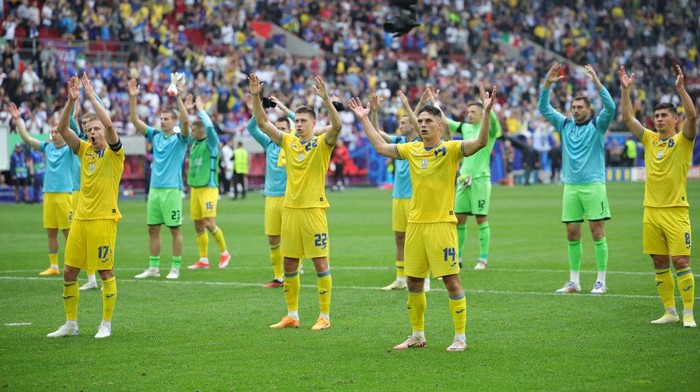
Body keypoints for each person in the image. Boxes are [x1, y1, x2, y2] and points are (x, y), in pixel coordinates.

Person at [348, 87, 495, 352]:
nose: (424, 125)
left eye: (429, 121)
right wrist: (364, 119)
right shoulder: (411, 149)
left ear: (441, 125)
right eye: (422, 121)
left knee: (451, 281)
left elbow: (481, 143)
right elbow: (381, 146)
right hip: (415, 225)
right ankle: (417, 335)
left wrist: (486, 113)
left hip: (442, 226)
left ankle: (460, 336)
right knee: (414, 282)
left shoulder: (451, 150)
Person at [248, 73, 342, 331]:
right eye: (297, 120)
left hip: (314, 210)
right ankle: (292, 315)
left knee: (320, 262)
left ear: (313, 124)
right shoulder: (288, 142)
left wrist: (326, 100)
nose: (298, 124)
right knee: (289, 262)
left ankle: (325, 316)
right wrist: (256, 96)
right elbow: (263, 122)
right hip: (290, 210)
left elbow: (337, 127)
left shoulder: (322, 144)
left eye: (303, 121)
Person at [619, 64, 697, 327]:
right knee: (659, 261)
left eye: (665, 115)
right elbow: (628, 119)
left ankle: (688, 312)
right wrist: (626, 90)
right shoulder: (650, 139)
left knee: (681, 260)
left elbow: (693, 117)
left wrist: (681, 89)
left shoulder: (684, 141)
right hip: (651, 210)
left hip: (676, 210)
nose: (659, 119)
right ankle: (669, 311)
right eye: (657, 116)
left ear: (676, 119)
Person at [47, 73, 123, 339]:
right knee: (69, 270)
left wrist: (91, 97)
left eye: (96, 129)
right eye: (89, 130)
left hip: (104, 219)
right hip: (81, 218)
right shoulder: (84, 150)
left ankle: (106, 324)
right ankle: (71, 324)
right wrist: (71, 100)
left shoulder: (115, 154)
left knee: (105, 271)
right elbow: (63, 129)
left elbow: (111, 126)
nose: (92, 133)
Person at [538, 63, 615, 294]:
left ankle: (601, 280)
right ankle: (574, 281)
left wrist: (596, 81)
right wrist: (548, 83)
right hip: (570, 186)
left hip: (593, 185)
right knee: (572, 232)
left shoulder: (597, 124)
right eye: (573, 107)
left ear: (589, 109)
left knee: (597, 231)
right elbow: (543, 107)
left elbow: (610, 107)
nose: (575, 110)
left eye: (580, 107)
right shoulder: (565, 124)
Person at [130, 77, 190, 280]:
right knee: (152, 229)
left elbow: (187, 122)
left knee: (175, 229)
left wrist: (180, 99)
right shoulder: (155, 136)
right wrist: (133, 99)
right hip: (154, 189)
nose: (162, 121)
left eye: (166, 119)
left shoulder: (180, 139)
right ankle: (153, 267)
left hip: (172, 189)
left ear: (174, 121)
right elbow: (135, 121)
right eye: (161, 118)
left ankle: (175, 268)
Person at [369, 91, 429, 292]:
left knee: (419, 239)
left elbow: (421, 127)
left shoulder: (421, 142)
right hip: (398, 197)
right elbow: (376, 133)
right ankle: (401, 278)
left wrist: (415, 103)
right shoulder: (399, 141)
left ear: (412, 124)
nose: (400, 126)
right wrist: (374, 112)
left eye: (404, 123)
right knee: (400, 238)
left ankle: (425, 278)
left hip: (415, 198)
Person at [11, 104, 73, 276]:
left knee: (68, 233)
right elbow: (27, 138)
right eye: (52, 132)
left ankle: (71, 264)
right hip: (49, 195)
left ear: (63, 133)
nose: (53, 134)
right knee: (51, 231)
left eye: (56, 131)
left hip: (65, 195)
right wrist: (17, 119)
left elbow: (71, 125)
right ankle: (54, 266)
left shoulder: (70, 149)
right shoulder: (47, 147)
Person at [448, 83, 502, 270]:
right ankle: (459, 257)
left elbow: (494, 123)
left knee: (481, 218)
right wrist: (432, 103)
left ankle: (483, 259)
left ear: (481, 113)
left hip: (480, 180)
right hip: (463, 180)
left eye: (473, 111)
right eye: (468, 111)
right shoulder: (465, 128)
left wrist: (488, 107)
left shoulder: (489, 129)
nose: (469, 114)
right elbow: (446, 122)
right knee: (459, 218)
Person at [247, 96, 295, 288]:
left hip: (290, 197)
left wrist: (284, 108)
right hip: (271, 196)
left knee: (292, 238)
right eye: (277, 127)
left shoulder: (292, 142)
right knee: (273, 238)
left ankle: (292, 271)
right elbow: (252, 127)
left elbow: (299, 121)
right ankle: (278, 277)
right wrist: (262, 107)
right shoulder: (268, 143)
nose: (279, 131)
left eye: (283, 128)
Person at [185, 95, 231, 270]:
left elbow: (210, 126)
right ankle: (203, 259)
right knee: (197, 223)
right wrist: (189, 110)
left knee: (209, 223)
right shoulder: (194, 142)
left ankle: (224, 252)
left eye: (193, 130)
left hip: (209, 187)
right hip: (195, 188)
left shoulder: (211, 143)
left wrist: (200, 109)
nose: (191, 133)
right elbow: (185, 128)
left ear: (200, 131)